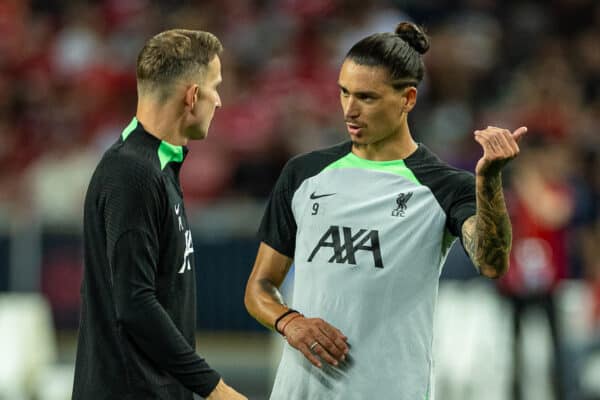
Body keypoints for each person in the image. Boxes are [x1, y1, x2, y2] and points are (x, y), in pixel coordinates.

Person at [244, 22, 527, 400]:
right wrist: (289, 321)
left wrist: (489, 181)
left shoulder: (443, 186)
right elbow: (259, 287)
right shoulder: (304, 174)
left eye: (367, 97)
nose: (350, 109)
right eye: (344, 93)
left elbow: (492, 263)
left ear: (408, 99)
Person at [72, 29, 246, 400]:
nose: (219, 102)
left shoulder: (156, 165)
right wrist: (215, 389)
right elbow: (134, 303)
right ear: (192, 96)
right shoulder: (132, 174)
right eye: (215, 87)